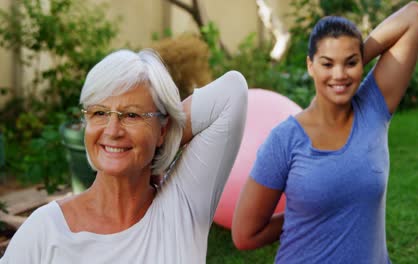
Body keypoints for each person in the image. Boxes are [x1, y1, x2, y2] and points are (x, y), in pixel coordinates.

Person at [0, 49, 248, 263]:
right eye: (99, 113)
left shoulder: (181, 207)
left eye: (132, 115)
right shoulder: (46, 230)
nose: (112, 131)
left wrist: (157, 147)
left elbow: (231, 93)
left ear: (163, 128)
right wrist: (146, 144)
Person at [232, 1, 418, 263]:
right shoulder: (285, 140)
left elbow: (413, 15)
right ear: (310, 66)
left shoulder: (373, 109)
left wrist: (351, 63)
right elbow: (245, 235)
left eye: (350, 63)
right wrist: (305, 213)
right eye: (327, 64)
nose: (339, 74)